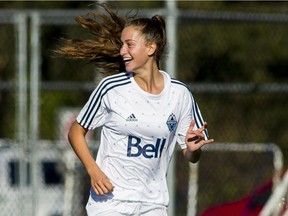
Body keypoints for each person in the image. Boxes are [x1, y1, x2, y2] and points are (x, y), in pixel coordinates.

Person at [57, 3, 214, 216]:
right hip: (110, 203)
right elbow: (76, 131)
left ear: (151, 48)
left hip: (153, 205)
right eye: (122, 45)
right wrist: (93, 170)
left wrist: (193, 150)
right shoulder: (111, 88)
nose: (122, 51)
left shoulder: (180, 94)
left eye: (129, 45)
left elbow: (191, 154)